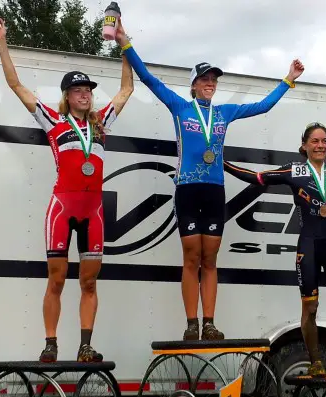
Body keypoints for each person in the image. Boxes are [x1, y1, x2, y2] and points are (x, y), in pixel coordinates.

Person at [114, 20, 304, 341]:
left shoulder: (224, 112)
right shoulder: (179, 107)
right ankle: (191, 324)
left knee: (210, 259)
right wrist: (124, 42)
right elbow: (146, 78)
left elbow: (263, 106)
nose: (210, 82)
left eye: (214, 78)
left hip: (215, 191)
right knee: (191, 257)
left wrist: (288, 79)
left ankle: (210, 324)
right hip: (188, 190)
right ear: (193, 85)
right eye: (204, 78)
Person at [0, 17, 134, 362]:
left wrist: (125, 46)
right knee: (56, 280)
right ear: (67, 96)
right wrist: (1, 41)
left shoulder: (102, 124)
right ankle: (50, 343)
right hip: (62, 209)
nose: (85, 95)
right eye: (78, 91)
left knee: (89, 283)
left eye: (89, 91)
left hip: (93, 211)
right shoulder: (53, 121)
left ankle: (85, 346)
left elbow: (127, 90)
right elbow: (16, 85)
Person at [223, 80, 326, 378]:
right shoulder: (294, 170)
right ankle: (315, 362)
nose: (321, 145)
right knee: (311, 308)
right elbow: (257, 178)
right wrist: (221, 163)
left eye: (325, 140)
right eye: (315, 141)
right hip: (309, 244)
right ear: (304, 146)